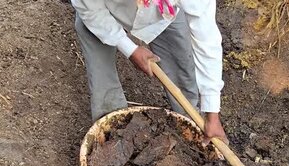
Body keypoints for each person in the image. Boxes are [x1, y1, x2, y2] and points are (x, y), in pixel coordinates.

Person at [71, 0, 228, 143]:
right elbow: (89, 8)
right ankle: (111, 127)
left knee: (181, 62)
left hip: (162, 16)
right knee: (91, 32)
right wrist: (129, 49)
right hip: (104, 8)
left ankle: (190, 118)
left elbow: (207, 40)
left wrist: (212, 112)